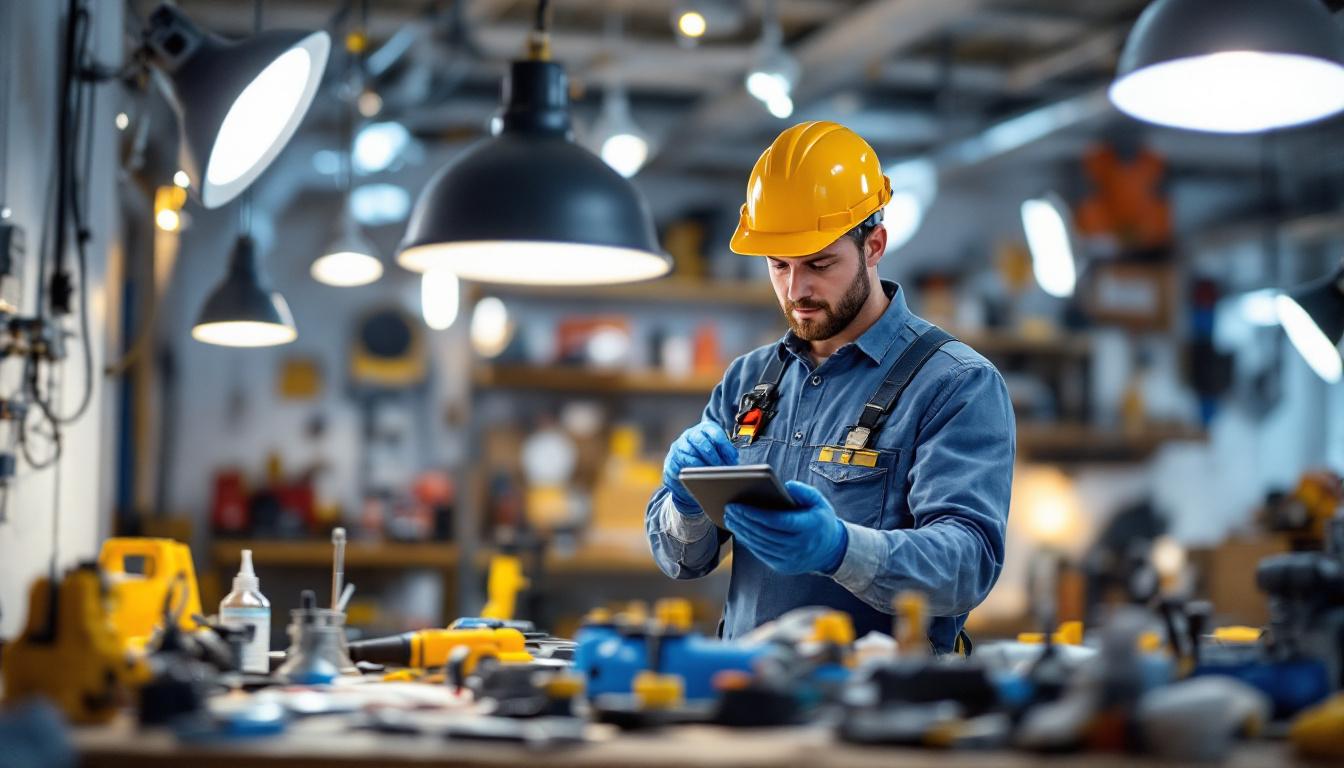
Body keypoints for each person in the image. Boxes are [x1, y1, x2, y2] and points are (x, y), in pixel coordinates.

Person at [644, 121, 1015, 654]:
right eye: (779, 266)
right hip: (749, 686)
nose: (797, 290)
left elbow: (967, 565)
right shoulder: (748, 381)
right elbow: (684, 561)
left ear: (874, 245)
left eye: (819, 264)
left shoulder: (955, 384)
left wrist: (841, 550)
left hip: (878, 696)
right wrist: (685, 507)